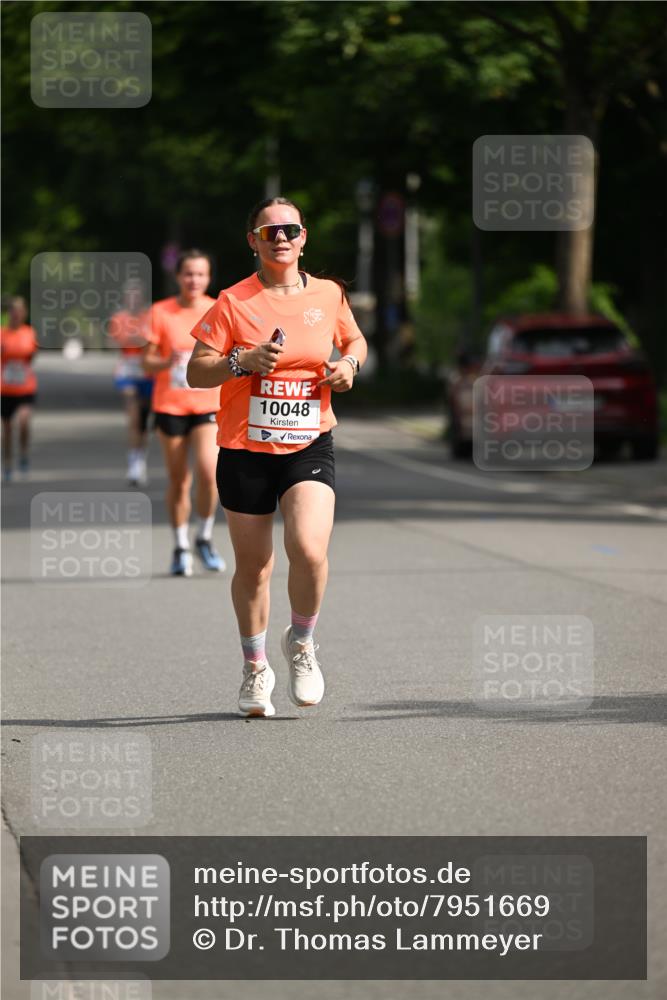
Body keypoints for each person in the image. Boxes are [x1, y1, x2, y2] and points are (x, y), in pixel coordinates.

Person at [187, 197, 367, 717]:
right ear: (254, 242)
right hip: (245, 448)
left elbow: (353, 339)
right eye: (270, 232)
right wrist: (240, 361)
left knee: (309, 549)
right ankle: (254, 668)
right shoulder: (233, 302)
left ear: (303, 237)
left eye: (289, 230)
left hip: (309, 441)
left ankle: (303, 644)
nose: (281, 238)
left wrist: (350, 364)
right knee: (255, 567)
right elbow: (197, 372)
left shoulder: (329, 294)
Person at [143, 250, 226, 576]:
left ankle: (203, 538)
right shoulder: (160, 312)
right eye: (188, 274)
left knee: (209, 473)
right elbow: (145, 362)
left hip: (208, 404)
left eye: (201, 274)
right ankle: (180, 546)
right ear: (178, 277)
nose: (194, 280)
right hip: (171, 405)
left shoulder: (218, 309)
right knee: (179, 481)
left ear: (208, 278)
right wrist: (170, 361)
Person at [108, 279, 153, 486]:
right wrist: (138, 339)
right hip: (127, 371)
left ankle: (140, 458)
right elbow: (114, 340)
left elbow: (154, 341)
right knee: (134, 416)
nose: (133, 300)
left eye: (137, 296)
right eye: (130, 296)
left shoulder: (150, 316)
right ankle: (133, 462)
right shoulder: (119, 318)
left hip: (147, 372)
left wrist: (137, 339)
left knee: (144, 422)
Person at [1, 297, 39, 482]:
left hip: (25, 385)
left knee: (24, 421)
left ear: (24, 313)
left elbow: (32, 357)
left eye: (19, 310)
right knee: (7, 429)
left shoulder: (29, 333)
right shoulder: (2, 334)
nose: (15, 314)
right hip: (5, 387)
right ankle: (7, 463)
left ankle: (23, 452)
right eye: (12, 310)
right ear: (9, 313)